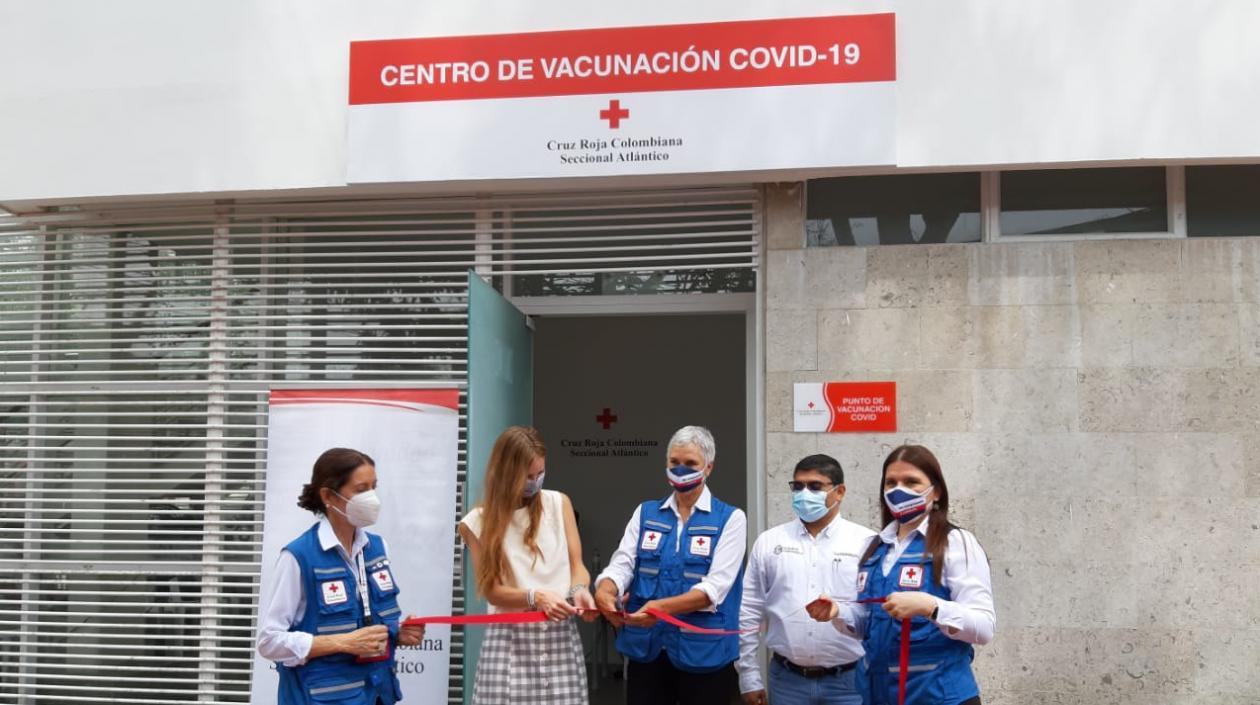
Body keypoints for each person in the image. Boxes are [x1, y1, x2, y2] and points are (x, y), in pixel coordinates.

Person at [808, 445, 995, 705]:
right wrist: (838, 612)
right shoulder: (873, 547)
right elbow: (870, 624)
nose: (898, 490)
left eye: (911, 482)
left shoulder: (955, 542)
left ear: (937, 491)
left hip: (939, 695)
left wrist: (930, 606)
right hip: (880, 693)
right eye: (891, 483)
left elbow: (983, 627)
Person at [257, 447, 425, 705]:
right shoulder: (298, 556)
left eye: (373, 487)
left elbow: (366, 618)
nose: (371, 497)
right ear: (328, 496)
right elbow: (269, 642)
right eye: (361, 490)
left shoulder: (377, 548)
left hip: (378, 693)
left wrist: (397, 632)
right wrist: (341, 642)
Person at [594, 425, 748, 705]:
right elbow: (623, 564)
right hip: (648, 652)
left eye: (690, 464)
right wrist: (606, 591)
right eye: (674, 463)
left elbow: (715, 588)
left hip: (704, 656)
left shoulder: (731, 519)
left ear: (708, 468)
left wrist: (660, 609)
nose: (680, 470)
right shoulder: (646, 512)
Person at [458, 426, 597, 705]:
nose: (535, 482)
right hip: (509, 642)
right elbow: (492, 590)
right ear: (506, 473)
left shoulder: (559, 504)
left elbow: (576, 565)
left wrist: (581, 588)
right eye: (528, 476)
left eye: (540, 473)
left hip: (559, 638)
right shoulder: (477, 522)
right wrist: (536, 597)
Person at [737, 454, 875, 705]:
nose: (804, 493)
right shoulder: (770, 542)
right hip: (787, 681)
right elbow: (748, 610)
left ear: (839, 492)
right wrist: (749, 676)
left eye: (815, 486)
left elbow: (875, 614)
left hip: (850, 682)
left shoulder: (866, 543)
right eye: (798, 486)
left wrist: (839, 612)